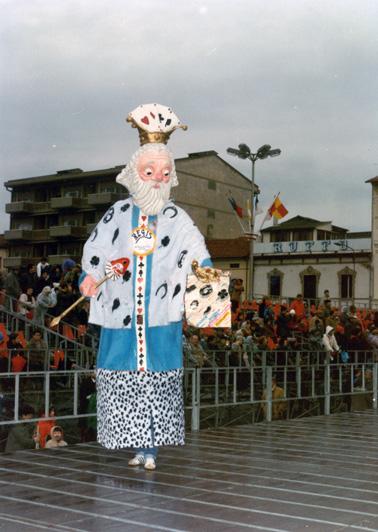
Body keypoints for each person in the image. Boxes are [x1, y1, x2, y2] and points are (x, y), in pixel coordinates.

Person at [80, 104, 215, 471]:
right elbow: (96, 248)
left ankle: (152, 448)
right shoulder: (118, 215)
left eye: (163, 172)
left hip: (159, 321)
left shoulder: (176, 218)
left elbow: (195, 250)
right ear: (135, 173)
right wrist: (91, 277)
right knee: (127, 386)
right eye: (150, 171)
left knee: (156, 384)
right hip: (122, 321)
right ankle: (136, 447)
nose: (156, 178)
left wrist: (204, 274)